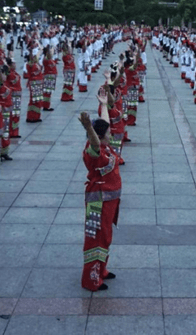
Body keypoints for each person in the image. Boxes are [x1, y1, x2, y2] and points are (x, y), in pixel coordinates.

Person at [79, 94, 121, 292]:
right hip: (99, 200)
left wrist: (104, 104)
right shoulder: (94, 150)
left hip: (109, 201)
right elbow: (95, 141)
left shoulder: (105, 147)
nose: (111, 134)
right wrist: (89, 128)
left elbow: (103, 124)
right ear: (101, 135)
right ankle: (91, 278)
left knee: (105, 236)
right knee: (96, 237)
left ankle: (101, 269)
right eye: (109, 132)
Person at [25, 52, 44, 123]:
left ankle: (36, 116)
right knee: (33, 100)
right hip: (34, 84)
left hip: (38, 84)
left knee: (38, 100)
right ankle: (31, 116)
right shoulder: (29, 65)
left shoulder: (36, 64)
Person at [41, 46, 57, 112]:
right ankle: (45, 106)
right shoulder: (46, 60)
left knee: (49, 93)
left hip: (51, 78)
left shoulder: (50, 59)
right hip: (48, 78)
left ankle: (47, 105)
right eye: (49, 52)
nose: (51, 53)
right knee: (47, 92)